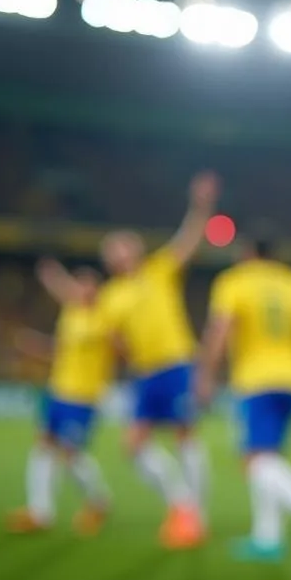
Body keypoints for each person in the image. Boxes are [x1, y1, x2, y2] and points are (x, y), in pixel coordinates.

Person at [195, 237, 291, 561]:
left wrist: (205, 375)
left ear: (247, 253)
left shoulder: (235, 281)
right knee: (269, 455)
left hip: (255, 379)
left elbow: (220, 329)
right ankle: (267, 538)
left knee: (253, 460)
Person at [98, 171, 220, 549]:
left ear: (135, 250)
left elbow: (188, 240)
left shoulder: (159, 269)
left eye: (124, 244)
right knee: (133, 445)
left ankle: (195, 515)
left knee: (185, 436)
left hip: (178, 363)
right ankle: (182, 505)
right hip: (145, 373)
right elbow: (113, 341)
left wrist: (201, 206)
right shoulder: (110, 297)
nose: (120, 251)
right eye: (113, 248)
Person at [6, 259, 113, 536]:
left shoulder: (106, 317)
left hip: (84, 397)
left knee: (70, 453)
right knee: (44, 445)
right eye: (79, 285)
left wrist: (55, 277)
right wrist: (37, 346)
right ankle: (40, 512)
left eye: (88, 285)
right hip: (58, 391)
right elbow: (61, 351)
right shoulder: (71, 314)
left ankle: (98, 501)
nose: (82, 291)